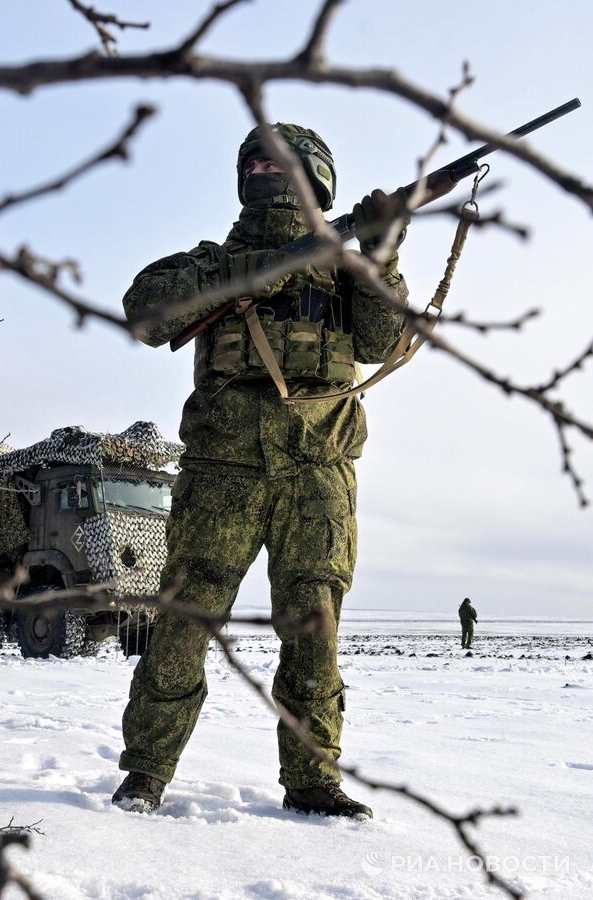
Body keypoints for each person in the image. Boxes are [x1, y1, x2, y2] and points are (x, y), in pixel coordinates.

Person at [112, 123, 410, 820]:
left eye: (279, 165)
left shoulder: (345, 269)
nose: (267, 175)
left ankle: (310, 780)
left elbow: (381, 339)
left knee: (314, 628)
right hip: (225, 466)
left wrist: (381, 256)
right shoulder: (210, 262)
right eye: (260, 164)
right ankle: (148, 771)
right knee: (187, 619)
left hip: (319, 469)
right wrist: (239, 273)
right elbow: (143, 311)